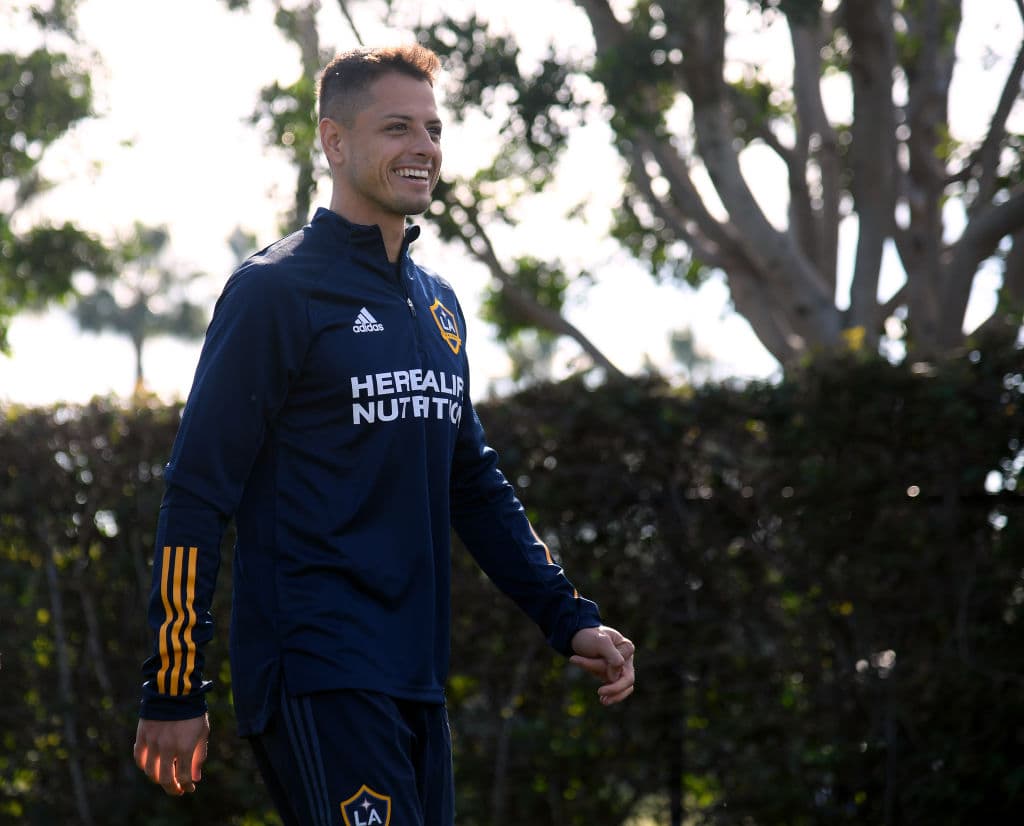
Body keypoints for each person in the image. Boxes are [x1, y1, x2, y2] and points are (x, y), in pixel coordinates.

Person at [132, 43, 634, 826]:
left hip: (416, 677)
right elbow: (196, 495)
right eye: (397, 127)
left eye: (433, 130)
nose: (424, 149)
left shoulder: (437, 305)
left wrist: (568, 617)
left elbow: (472, 484)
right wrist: (172, 685)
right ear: (336, 142)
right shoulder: (274, 292)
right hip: (316, 668)